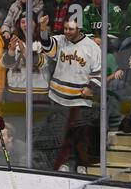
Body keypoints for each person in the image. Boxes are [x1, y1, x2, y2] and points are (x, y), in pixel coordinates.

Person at [37, 14, 101, 173]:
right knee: (60, 134)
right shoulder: (60, 40)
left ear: (79, 28)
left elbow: (98, 73)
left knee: (80, 135)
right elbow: (47, 47)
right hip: (58, 96)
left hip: (80, 99)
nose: (67, 32)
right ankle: (64, 162)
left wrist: (91, 87)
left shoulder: (92, 47)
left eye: (71, 29)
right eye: (65, 28)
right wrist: (43, 30)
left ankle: (81, 164)